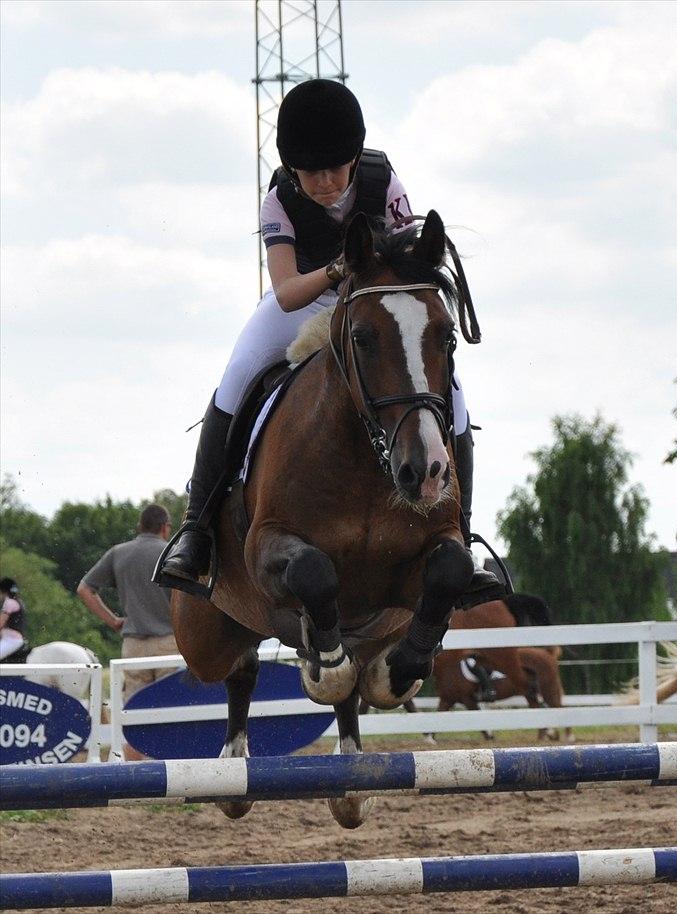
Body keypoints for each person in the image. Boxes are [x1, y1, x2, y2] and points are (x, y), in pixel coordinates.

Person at [159, 78, 496, 605]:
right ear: (291, 167)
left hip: (373, 305)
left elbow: (406, 259)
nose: (322, 181)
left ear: (354, 158)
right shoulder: (278, 201)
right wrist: (338, 270)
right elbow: (287, 292)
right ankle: (196, 529)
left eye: (334, 169)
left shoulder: (382, 180)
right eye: (310, 172)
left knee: (451, 394)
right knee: (236, 377)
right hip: (306, 304)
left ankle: (465, 535)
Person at [77, 504, 177, 703]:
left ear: (140, 526)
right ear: (165, 527)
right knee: (171, 704)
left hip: (133, 646)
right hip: (169, 643)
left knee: (135, 707)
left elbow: (84, 589)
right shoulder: (173, 553)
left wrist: (113, 621)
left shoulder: (118, 553)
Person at [0, 577, 27, 660]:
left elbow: (1, 623)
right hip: (12, 639)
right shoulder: (18, 601)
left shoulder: (9, 602)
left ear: (3, 591)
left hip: (11, 640)